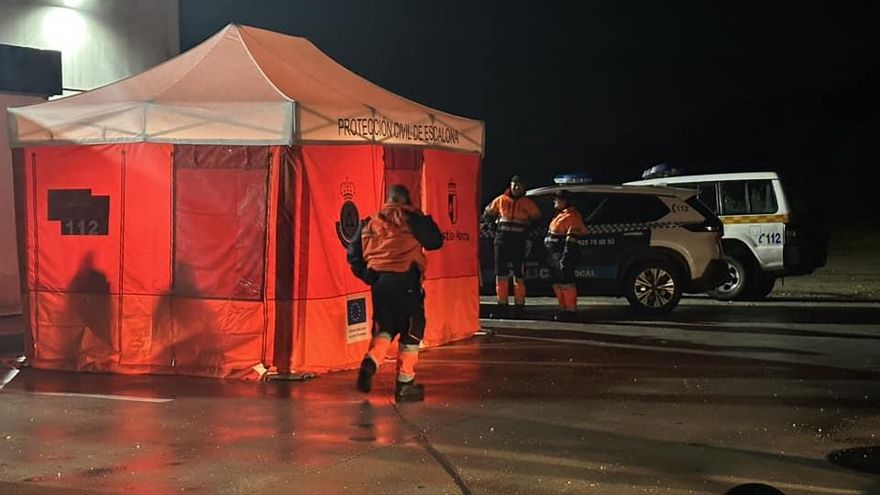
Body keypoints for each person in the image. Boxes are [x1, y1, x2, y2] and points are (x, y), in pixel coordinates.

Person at [347, 184, 443, 402]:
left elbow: (353, 255)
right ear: (406, 201)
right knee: (411, 331)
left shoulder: (369, 222)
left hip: (380, 284)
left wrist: (368, 276)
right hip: (406, 282)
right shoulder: (411, 219)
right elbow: (435, 241)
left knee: (385, 328)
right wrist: (424, 220)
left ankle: (371, 362)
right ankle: (405, 383)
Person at [483, 175, 540, 317]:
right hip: (501, 241)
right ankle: (502, 305)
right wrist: (492, 227)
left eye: (519, 185)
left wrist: (528, 233)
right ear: (510, 185)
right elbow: (487, 214)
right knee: (500, 273)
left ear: (523, 187)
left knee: (518, 274)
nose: (517, 187)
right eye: (515, 185)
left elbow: (537, 220)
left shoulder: (528, 203)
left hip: (519, 242)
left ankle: (519, 307)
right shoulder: (501, 200)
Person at [544, 190, 587, 322]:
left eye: (557, 199)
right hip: (555, 255)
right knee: (558, 283)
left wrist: (565, 258)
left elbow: (571, 241)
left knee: (566, 282)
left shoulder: (571, 216)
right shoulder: (561, 215)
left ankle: (570, 311)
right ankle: (563, 309)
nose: (554, 201)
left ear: (564, 201)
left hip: (564, 255)